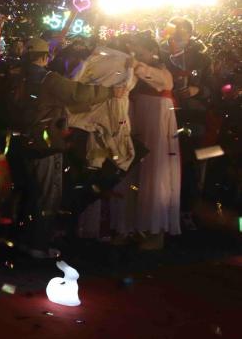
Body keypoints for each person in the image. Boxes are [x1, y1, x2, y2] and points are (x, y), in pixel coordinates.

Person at [10, 37, 126, 258]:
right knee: (47, 195)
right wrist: (110, 93)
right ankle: (39, 246)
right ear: (45, 57)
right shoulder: (48, 79)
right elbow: (78, 93)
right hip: (45, 143)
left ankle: (23, 240)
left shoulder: (15, 76)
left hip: (18, 142)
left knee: (27, 193)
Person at [114, 33, 181, 248]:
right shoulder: (131, 67)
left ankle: (152, 230)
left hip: (156, 124)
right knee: (132, 171)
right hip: (136, 119)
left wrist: (139, 67)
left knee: (154, 170)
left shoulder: (161, 71)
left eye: (140, 49)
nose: (136, 53)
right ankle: (128, 226)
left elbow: (163, 81)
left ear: (151, 51)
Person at [160, 16, 212, 229]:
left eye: (183, 32)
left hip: (192, 115)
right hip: (164, 115)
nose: (179, 36)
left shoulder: (201, 59)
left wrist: (197, 90)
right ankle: (161, 209)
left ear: (190, 35)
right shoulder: (159, 55)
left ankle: (186, 210)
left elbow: (213, 87)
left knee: (190, 163)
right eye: (175, 32)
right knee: (163, 163)